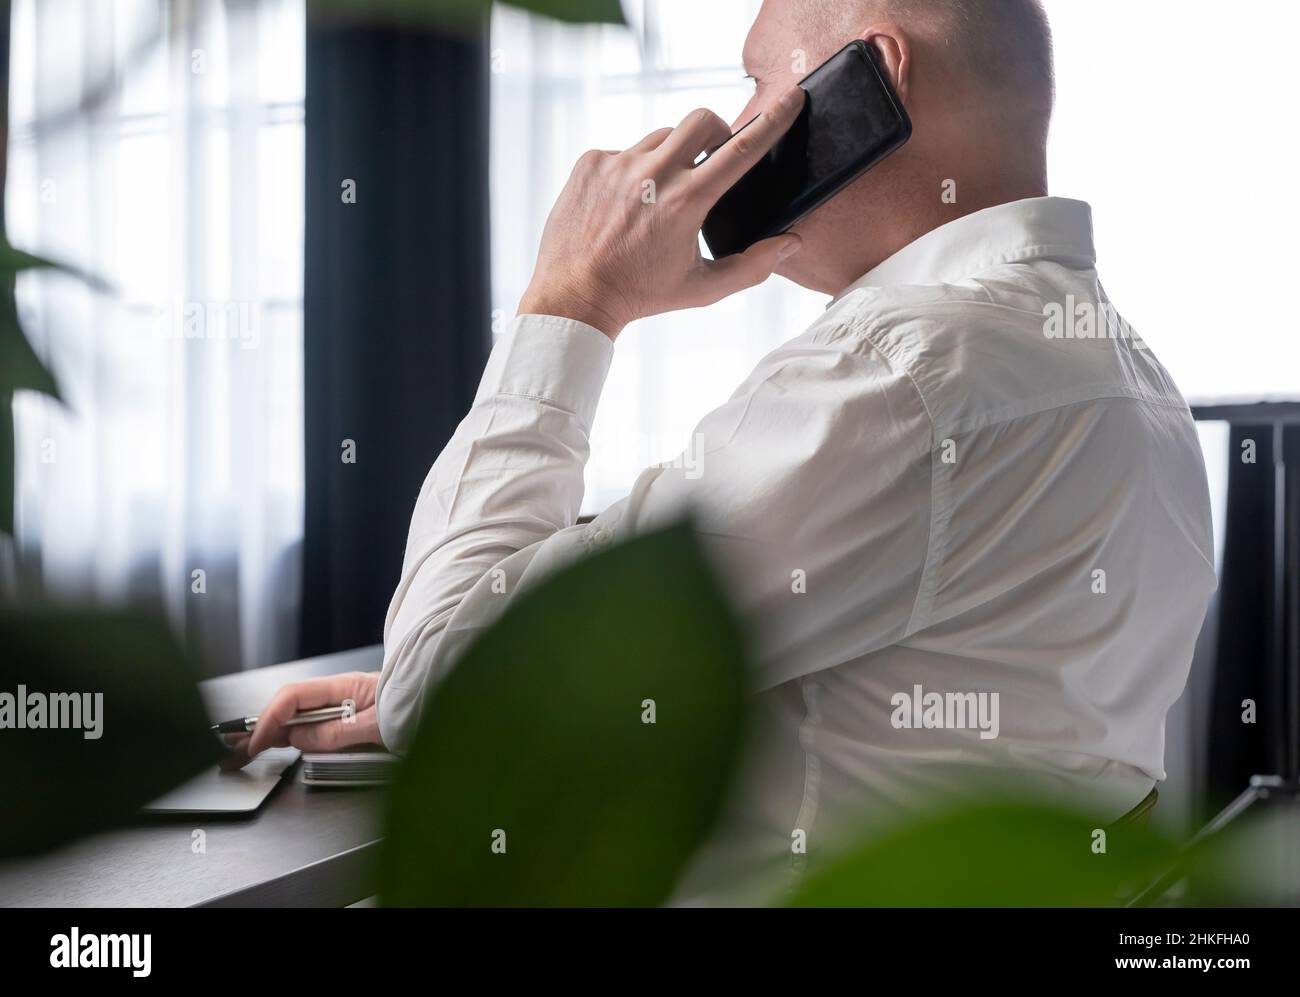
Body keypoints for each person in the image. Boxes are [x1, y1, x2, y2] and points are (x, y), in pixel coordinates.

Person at [231, 0, 1216, 900]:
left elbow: (443, 687)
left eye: (757, 83)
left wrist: (572, 300)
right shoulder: (1127, 376)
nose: (739, 126)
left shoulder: (904, 370)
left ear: (872, 75)